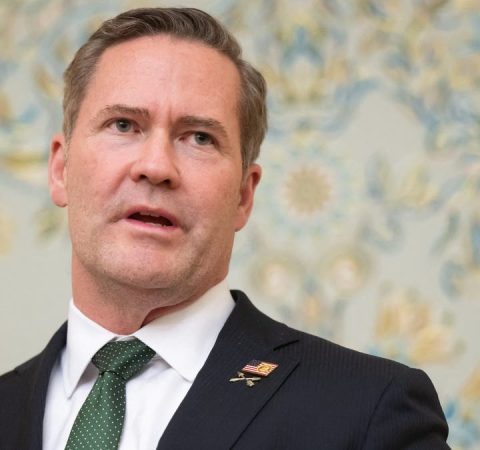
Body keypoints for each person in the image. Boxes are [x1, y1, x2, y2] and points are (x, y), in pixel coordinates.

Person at [0, 7, 449, 450]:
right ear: (60, 169)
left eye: (199, 137)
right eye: (123, 125)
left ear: (243, 195)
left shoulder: (369, 410)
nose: (156, 166)